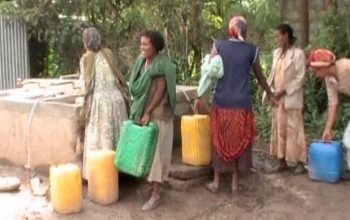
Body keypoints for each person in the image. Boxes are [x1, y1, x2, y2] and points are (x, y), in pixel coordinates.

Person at [194, 16, 277, 193]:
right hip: (242, 104)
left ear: (229, 30)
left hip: (222, 102)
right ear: (244, 31)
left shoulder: (219, 46)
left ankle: (216, 183)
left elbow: (208, 73)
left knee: (220, 140)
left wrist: (199, 95)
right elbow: (260, 77)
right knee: (240, 139)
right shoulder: (251, 51)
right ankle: (234, 183)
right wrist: (270, 93)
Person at [129, 30, 176, 211]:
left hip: (158, 116)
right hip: (145, 114)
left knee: (158, 157)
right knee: (148, 155)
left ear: (155, 46)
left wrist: (148, 111)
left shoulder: (162, 65)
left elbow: (160, 90)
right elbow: (136, 86)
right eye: (141, 44)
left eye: (145, 44)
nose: (142, 47)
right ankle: (154, 188)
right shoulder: (142, 63)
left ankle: (156, 195)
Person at [79, 27, 130, 180]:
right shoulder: (108, 53)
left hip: (101, 102)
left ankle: (104, 175)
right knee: (117, 136)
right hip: (117, 100)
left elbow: (85, 84)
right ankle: (122, 173)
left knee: (102, 140)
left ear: (86, 41)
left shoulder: (86, 58)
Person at [266, 24, 307, 174]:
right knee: (279, 129)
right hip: (278, 99)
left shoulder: (298, 54)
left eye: (278, 36)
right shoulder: (277, 53)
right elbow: (272, 75)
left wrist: (284, 91)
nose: (276, 39)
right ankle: (281, 160)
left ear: (286, 35)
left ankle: (300, 162)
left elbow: (300, 78)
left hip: (291, 98)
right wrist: (270, 92)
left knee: (295, 130)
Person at [307, 49, 350, 141]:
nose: (316, 75)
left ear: (323, 67)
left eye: (316, 71)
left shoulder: (346, 66)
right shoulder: (329, 80)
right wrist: (328, 129)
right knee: (347, 140)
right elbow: (333, 103)